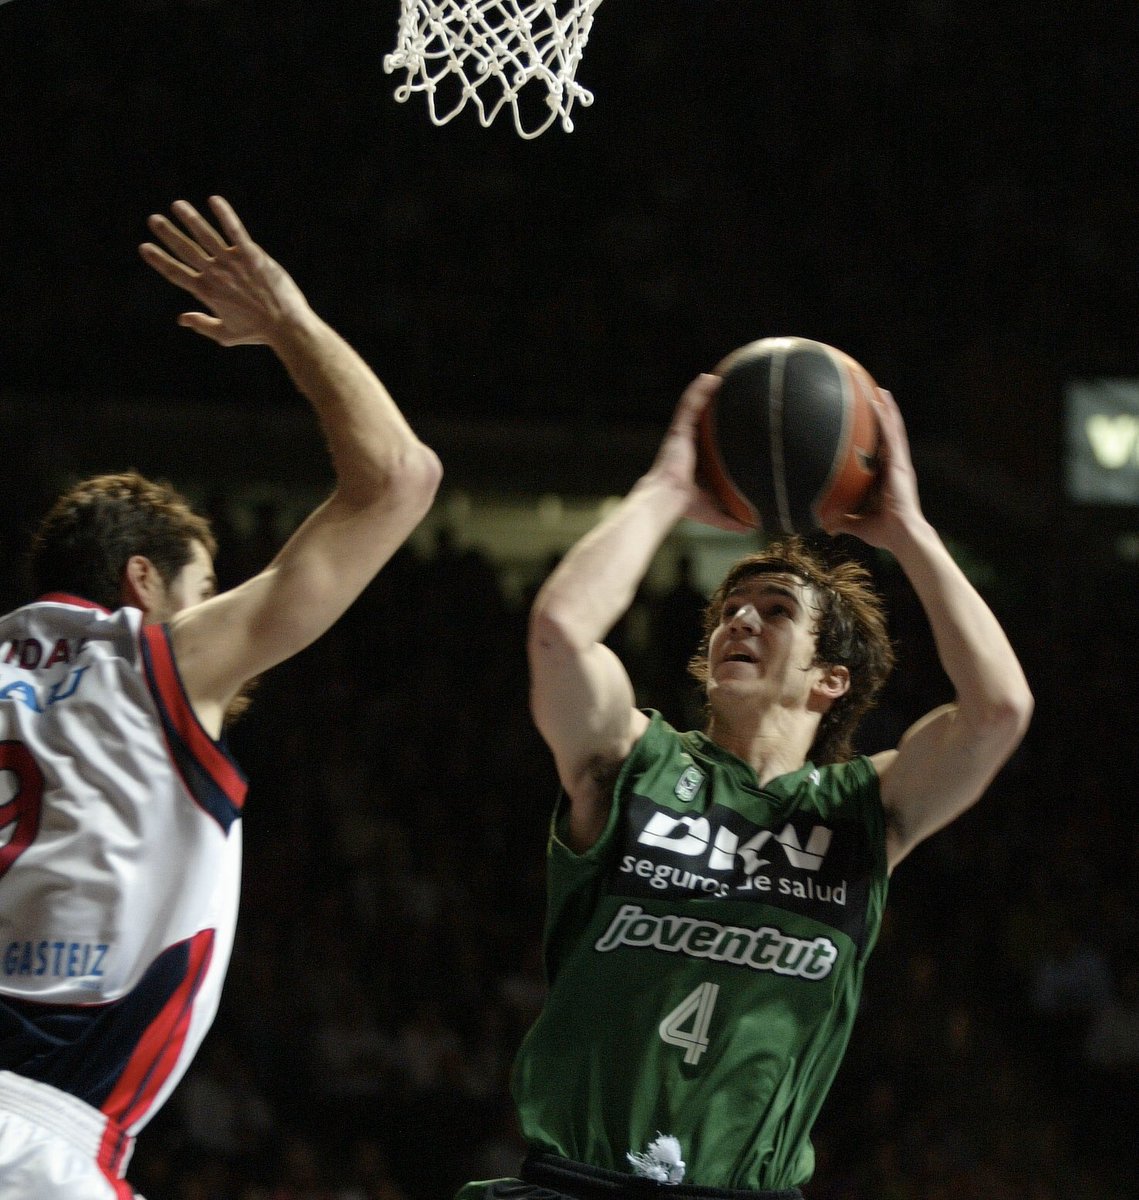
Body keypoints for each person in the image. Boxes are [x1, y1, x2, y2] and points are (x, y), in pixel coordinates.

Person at [457, 373, 1032, 1199]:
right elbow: (558, 632)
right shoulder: (635, 761)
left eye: (773, 609)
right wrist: (661, 492)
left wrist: (908, 532)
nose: (740, 620)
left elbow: (999, 709)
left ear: (829, 680)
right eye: (730, 608)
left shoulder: (861, 812)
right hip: (575, 1182)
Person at [0, 196, 442, 1199]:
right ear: (145, 587)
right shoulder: (154, 661)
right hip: (39, 1136)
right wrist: (287, 319)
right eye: (206, 586)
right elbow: (399, 480)